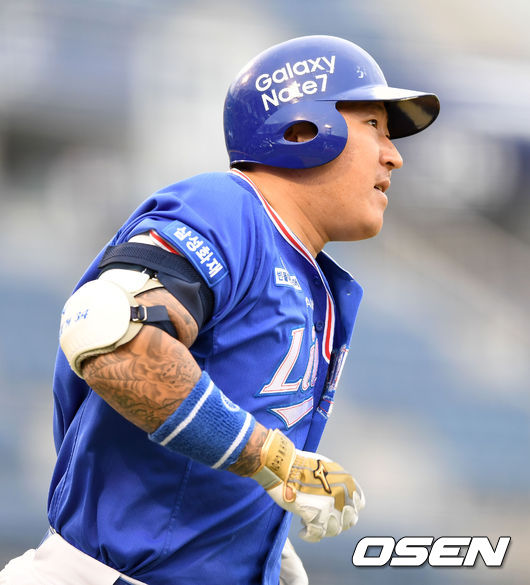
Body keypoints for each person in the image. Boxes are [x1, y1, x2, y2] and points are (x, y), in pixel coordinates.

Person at [0, 35, 439, 585]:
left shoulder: (307, 274)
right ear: (301, 129)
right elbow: (111, 339)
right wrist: (276, 462)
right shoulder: (228, 208)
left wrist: (253, 546)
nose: (394, 154)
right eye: (373, 124)